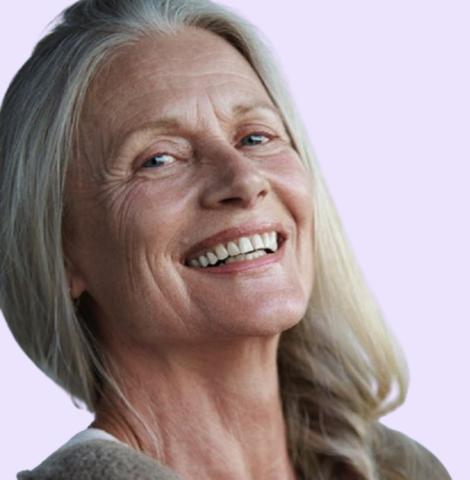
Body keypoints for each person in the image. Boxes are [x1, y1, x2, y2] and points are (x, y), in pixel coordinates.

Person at [0, 0, 452, 479]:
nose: (245, 179)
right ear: (59, 253)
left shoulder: (407, 470)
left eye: (255, 137)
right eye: (158, 159)